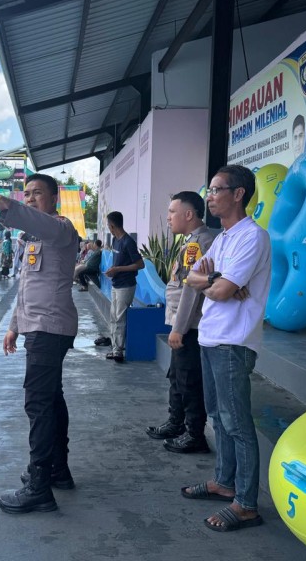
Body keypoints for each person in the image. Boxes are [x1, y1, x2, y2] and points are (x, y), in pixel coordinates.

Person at [0, 173, 79, 514]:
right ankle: (57, 469)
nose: (32, 198)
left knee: (37, 404)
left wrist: (10, 207)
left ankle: (39, 485)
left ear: (54, 199)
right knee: (51, 399)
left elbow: (47, 226)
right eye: (27, 193)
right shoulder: (29, 238)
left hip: (50, 328)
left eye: (38, 193)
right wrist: (13, 326)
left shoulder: (62, 229)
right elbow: (26, 289)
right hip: (37, 326)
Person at [183, 165, 271, 532]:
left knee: (237, 424)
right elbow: (187, 275)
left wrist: (217, 283)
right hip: (209, 336)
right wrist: (219, 279)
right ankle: (224, 482)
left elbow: (214, 290)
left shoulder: (253, 237)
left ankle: (247, 504)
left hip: (233, 342)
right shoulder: (220, 239)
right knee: (218, 418)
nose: (210, 196)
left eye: (217, 189)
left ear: (238, 194)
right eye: (210, 189)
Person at [146, 192, 216, 454]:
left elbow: (191, 290)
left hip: (190, 326)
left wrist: (179, 328)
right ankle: (177, 423)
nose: (168, 218)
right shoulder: (191, 242)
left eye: (172, 212)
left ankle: (194, 434)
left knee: (188, 380)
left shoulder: (200, 243)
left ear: (189, 214)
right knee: (177, 375)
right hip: (183, 323)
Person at [102, 211, 144, 363]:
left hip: (126, 285)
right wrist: (113, 270)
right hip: (116, 284)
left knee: (119, 317)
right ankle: (115, 347)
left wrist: (118, 269)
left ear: (112, 226)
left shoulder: (128, 242)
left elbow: (140, 264)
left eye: (108, 225)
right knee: (113, 316)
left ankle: (118, 350)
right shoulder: (115, 240)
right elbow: (118, 262)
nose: (109, 228)